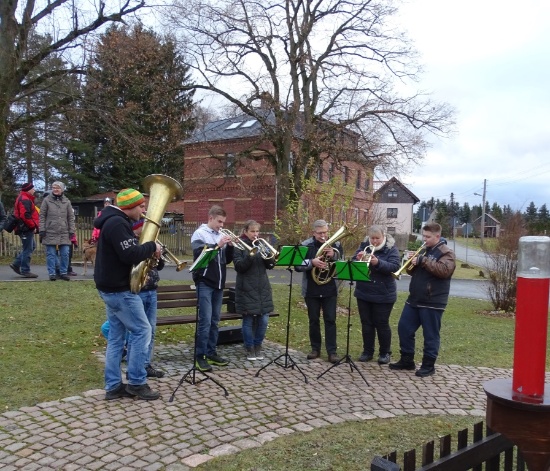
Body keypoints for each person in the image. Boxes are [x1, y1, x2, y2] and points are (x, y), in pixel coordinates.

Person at [94, 188, 162, 401]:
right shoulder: (117, 223)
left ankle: (114, 386)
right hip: (119, 290)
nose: (144, 210)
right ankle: (137, 382)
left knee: (115, 338)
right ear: (130, 206)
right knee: (143, 330)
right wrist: (151, 246)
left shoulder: (113, 221)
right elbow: (129, 255)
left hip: (111, 287)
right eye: (141, 206)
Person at [389, 222, 456, 377]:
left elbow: (444, 271)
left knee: (430, 334)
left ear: (437, 236)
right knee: (404, 328)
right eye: (423, 236)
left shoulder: (447, 253)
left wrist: (423, 261)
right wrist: (411, 263)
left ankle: (428, 365)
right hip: (415, 298)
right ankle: (407, 360)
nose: (424, 239)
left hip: (433, 300)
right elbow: (414, 273)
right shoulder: (425, 251)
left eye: (428, 237)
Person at [99, 218, 164, 377]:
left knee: (150, 330)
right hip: (137, 290)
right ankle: (136, 371)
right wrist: (147, 249)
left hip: (152, 290)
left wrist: (158, 256)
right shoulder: (130, 243)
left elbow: (159, 266)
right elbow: (130, 260)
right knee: (139, 331)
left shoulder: (151, 242)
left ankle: (145, 364)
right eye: (144, 227)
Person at [190, 205, 234, 372]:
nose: (221, 226)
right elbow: (200, 255)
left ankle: (211, 352)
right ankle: (199, 356)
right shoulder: (199, 234)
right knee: (205, 321)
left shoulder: (221, 235)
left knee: (215, 321)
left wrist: (230, 248)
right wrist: (218, 244)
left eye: (223, 222)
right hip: (205, 282)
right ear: (210, 218)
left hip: (219, 283)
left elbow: (226, 261)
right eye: (219, 222)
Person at [352, 225, 401, 365]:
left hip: (384, 293)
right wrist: (359, 258)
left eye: (377, 238)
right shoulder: (364, 245)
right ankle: (367, 351)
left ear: (383, 236)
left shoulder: (391, 248)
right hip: (364, 292)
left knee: (381, 323)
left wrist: (378, 262)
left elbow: (395, 267)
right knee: (366, 323)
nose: (374, 241)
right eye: (372, 238)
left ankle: (385, 353)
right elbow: (354, 263)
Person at [295, 219, 342, 364]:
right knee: (313, 320)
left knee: (330, 320)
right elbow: (297, 265)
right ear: (313, 232)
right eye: (320, 233)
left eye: (325, 232)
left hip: (329, 288)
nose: (324, 236)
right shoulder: (305, 245)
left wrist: (334, 255)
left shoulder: (336, 244)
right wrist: (311, 262)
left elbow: (342, 265)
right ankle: (315, 349)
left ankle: (332, 352)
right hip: (312, 288)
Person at [233, 220, 275, 360]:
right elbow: (239, 267)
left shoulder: (261, 244)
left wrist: (269, 256)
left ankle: (258, 345)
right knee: (248, 320)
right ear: (245, 231)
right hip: (246, 288)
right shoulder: (238, 245)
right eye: (252, 231)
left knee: (264, 319)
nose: (255, 234)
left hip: (262, 287)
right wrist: (251, 254)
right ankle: (249, 347)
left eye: (257, 231)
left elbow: (270, 265)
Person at [39, 182, 76, 281]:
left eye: (58, 188)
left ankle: (63, 272)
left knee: (65, 253)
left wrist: (72, 230)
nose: (55, 189)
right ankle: (52, 273)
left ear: (62, 189)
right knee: (51, 254)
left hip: (64, 231)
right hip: (50, 231)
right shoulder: (46, 201)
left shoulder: (67, 202)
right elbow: (42, 216)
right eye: (53, 187)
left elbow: (70, 217)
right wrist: (42, 229)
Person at [10, 182, 39, 278]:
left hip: (23, 227)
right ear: (28, 189)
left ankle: (16, 263)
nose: (34, 190)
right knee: (28, 249)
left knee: (31, 246)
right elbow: (25, 215)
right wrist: (33, 226)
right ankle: (25, 270)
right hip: (24, 227)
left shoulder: (23, 198)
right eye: (32, 188)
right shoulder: (25, 199)